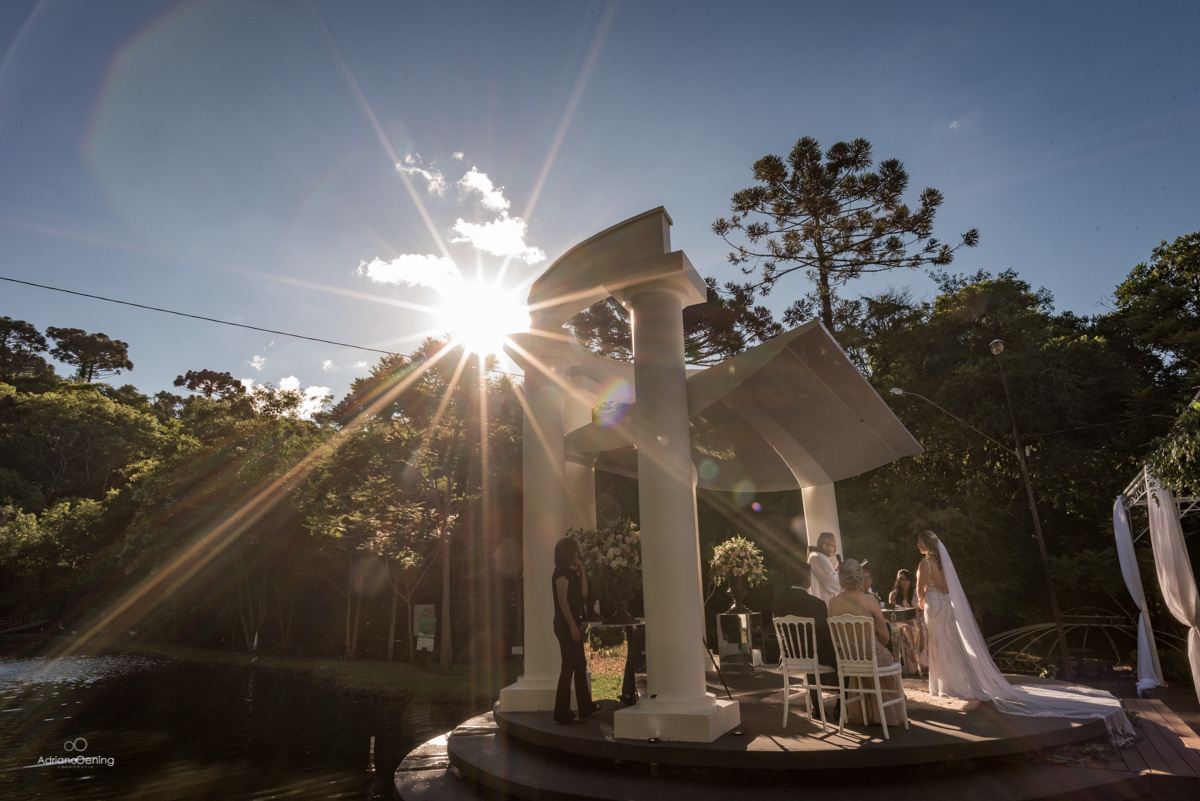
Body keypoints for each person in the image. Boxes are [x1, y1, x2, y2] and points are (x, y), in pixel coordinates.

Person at [914, 530, 1133, 743]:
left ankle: (944, 686)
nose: (917, 545)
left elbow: (919, 589)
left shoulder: (925, 563)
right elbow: (947, 587)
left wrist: (921, 600)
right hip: (946, 605)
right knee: (950, 645)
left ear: (925, 544)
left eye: (919, 542)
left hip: (933, 605)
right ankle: (953, 684)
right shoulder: (943, 564)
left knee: (938, 645)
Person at [827, 559, 904, 726]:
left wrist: (852, 648)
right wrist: (874, 645)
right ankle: (883, 714)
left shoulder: (833, 603)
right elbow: (885, 635)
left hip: (848, 657)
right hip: (871, 655)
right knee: (883, 658)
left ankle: (865, 712)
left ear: (841, 579)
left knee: (867, 660)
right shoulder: (869, 600)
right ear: (860, 578)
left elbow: (835, 635)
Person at [777, 561, 838, 714]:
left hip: (790, 654)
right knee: (844, 661)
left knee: (811, 651)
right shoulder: (817, 604)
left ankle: (815, 703)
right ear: (807, 580)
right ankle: (841, 706)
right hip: (812, 653)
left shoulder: (779, 601)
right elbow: (825, 635)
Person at [552, 537, 599, 724]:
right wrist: (572, 626)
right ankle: (562, 713)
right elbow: (562, 601)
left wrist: (582, 571)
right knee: (569, 666)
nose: (577, 554)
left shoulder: (571, 573)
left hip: (573, 624)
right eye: (575, 551)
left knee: (580, 664)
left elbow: (584, 593)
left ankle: (586, 706)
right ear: (568, 552)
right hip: (565, 625)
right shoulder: (560, 573)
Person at [888, 568, 922, 677]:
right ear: (898, 581)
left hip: (917, 620)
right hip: (901, 620)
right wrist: (908, 622)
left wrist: (919, 621)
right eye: (902, 580)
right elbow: (892, 613)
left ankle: (923, 662)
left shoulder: (915, 593)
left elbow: (922, 610)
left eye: (907, 580)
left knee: (924, 628)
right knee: (907, 629)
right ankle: (913, 663)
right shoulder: (893, 595)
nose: (905, 583)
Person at [806, 531, 841, 604]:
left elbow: (829, 578)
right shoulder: (817, 557)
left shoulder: (820, 557)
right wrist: (840, 572)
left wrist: (836, 571)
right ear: (825, 546)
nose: (835, 549)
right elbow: (833, 583)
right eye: (834, 546)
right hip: (821, 603)